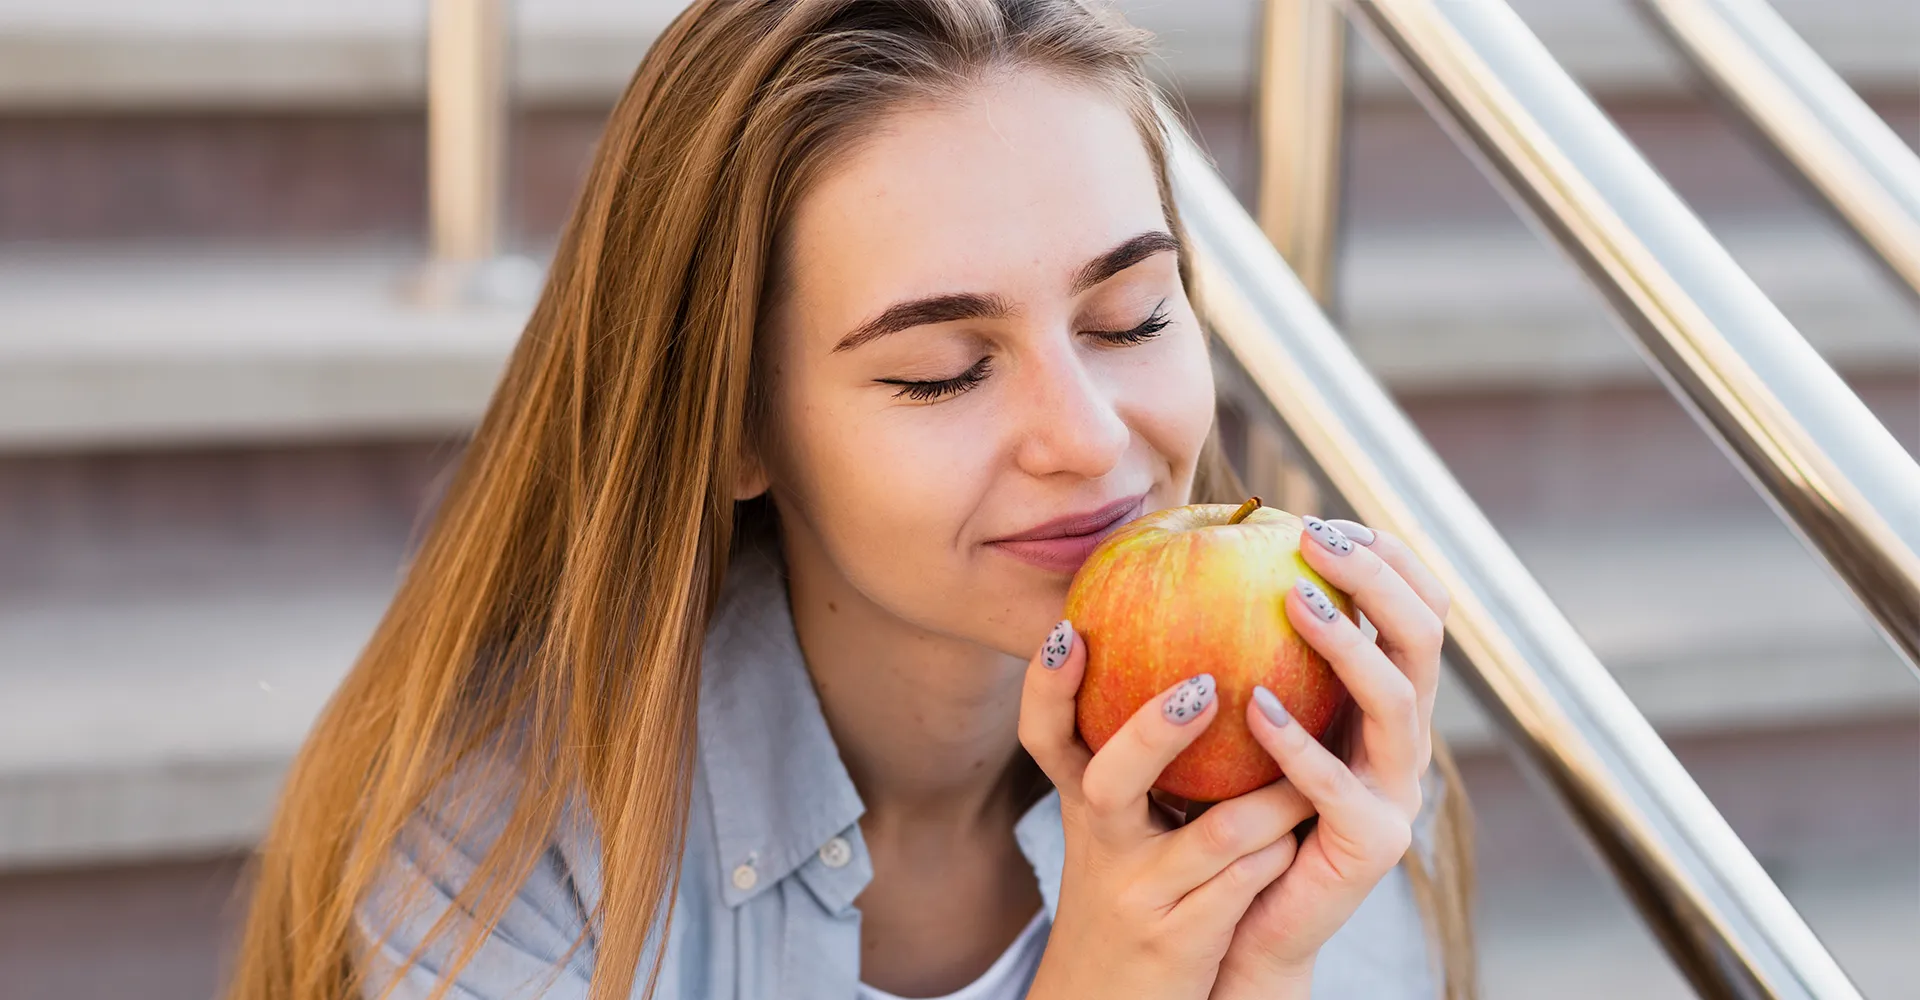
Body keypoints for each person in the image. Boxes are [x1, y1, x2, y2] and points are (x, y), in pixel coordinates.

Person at [224, 1, 1476, 998]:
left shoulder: (1328, 772)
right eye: (943, 371)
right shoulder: (504, 849)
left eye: (1134, 316)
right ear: (733, 424)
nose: (1091, 439)